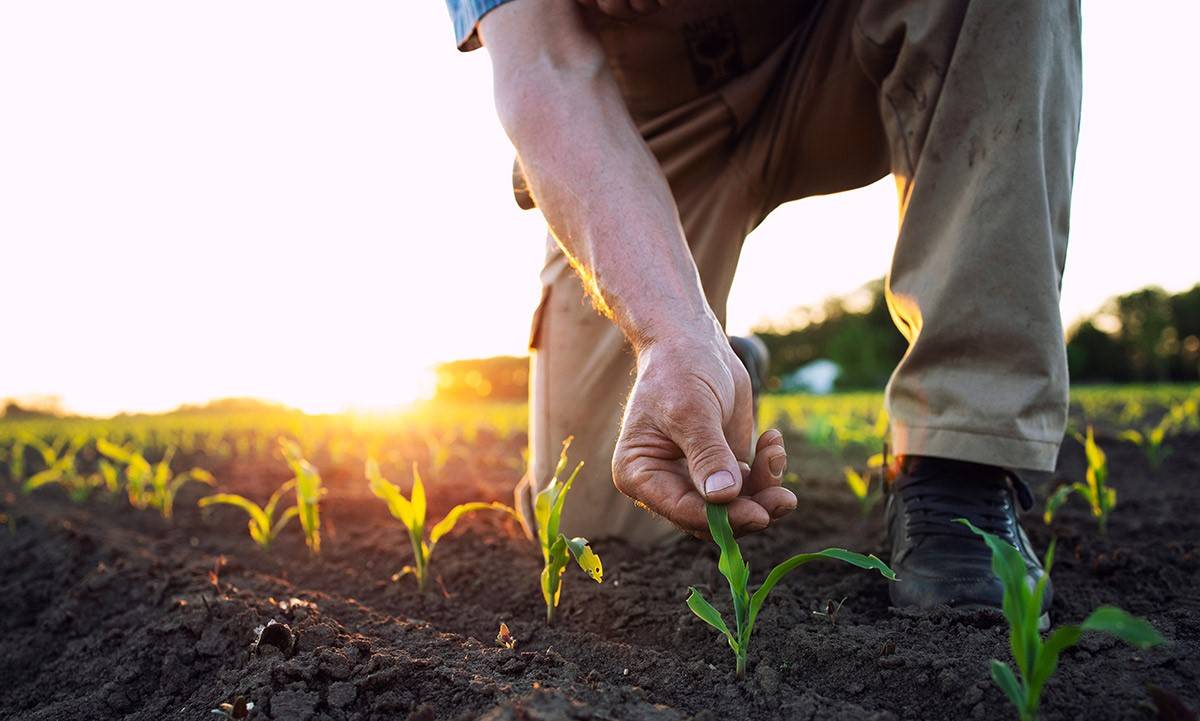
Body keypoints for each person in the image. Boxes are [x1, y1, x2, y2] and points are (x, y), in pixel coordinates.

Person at [442, 0, 1081, 615]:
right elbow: (545, 71)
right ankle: (716, 364)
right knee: (603, 517)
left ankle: (958, 463)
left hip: (835, 50)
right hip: (644, 124)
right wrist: (670, 335)